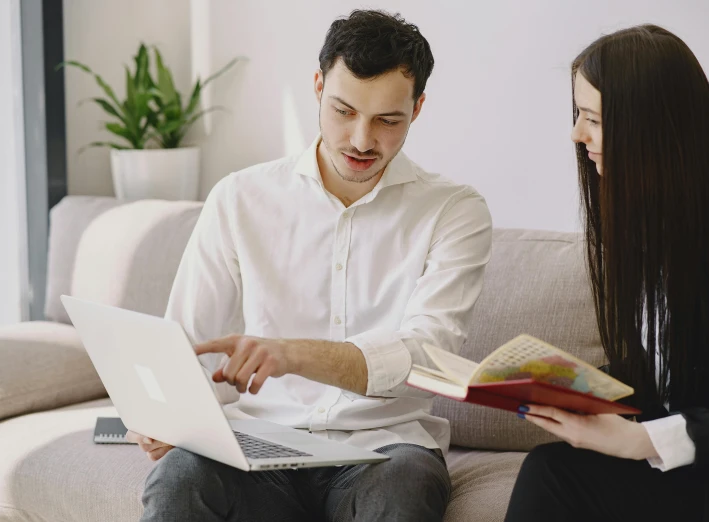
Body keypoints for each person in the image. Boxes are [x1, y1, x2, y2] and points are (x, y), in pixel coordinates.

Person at [125, 10, 493, 522]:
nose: (362, 140)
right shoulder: (240, 197)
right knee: (179, 476)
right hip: (257, 446)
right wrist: (160, 414)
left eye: (388, 120)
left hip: (384, 451)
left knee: (404, 484)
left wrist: (291, 354)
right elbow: (184, 340)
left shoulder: (454, 211)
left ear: (419, 108)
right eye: (344, 111)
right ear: (318, 87)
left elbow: (427, 355)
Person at [505, 25, 709, 522]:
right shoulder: (654, 222)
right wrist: (562, 387)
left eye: (592, 117)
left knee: (554, 477)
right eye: (577, 115)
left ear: (651, 124)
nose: (576, 134)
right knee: (552, 469)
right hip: (693, 469)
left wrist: (639, 440)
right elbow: (670, 380)